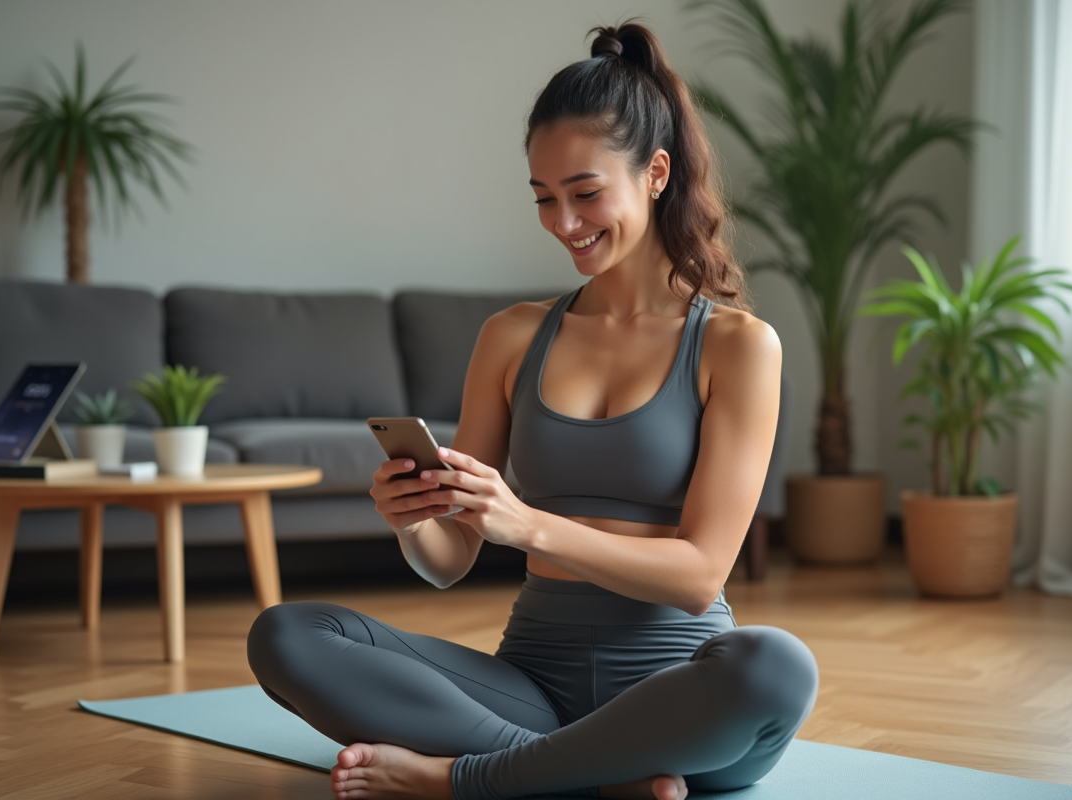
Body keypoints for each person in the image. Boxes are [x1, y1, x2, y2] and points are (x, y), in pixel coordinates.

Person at [247, 21, 818, 800]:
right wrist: (416, 519)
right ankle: (593, 779)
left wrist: (528, 525)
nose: (564, 223)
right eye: (544, 198)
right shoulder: (512, 336)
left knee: (776, 666)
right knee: (289, 634)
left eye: (585, 193)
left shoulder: (738, 346)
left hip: (680, 691)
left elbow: (699, 576)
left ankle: (471, 780)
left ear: (655, 173)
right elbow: (449, 561)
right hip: (531, 687)